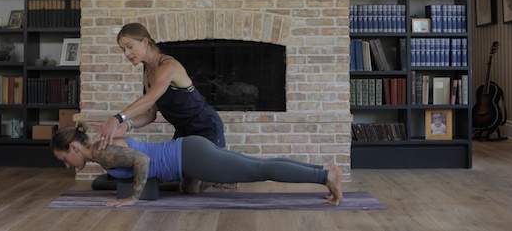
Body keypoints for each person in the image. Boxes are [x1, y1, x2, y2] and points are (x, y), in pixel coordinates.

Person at [52, 123, 344, 207]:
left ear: (74, 147)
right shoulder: (103, 149)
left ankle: (324, 175)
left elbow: (143, 160)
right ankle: (322, 173)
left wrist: (132, 198)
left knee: (259, 170)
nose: (68, 165)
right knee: (260, 165)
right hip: (189, 155)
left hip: (191, 157)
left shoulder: (102, 153)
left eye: (66, 159)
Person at [96, 23, 226, 150]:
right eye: (123, 49)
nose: (127, 53)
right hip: (183, 131)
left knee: (205, 171)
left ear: (145, 42)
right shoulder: (147, 73)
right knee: (178, 171)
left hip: (206, 128)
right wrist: (126, 126)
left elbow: (149, 99)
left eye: (130, 46)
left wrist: (117, 119)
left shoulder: (168, 66)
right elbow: (150, 114)